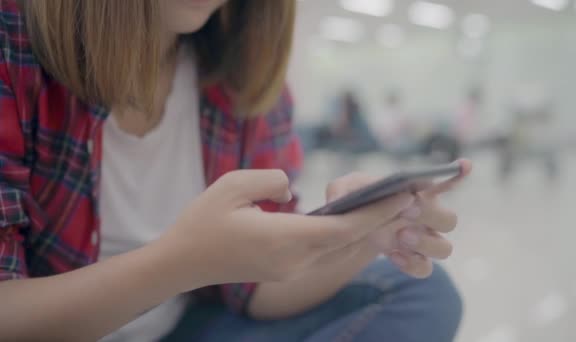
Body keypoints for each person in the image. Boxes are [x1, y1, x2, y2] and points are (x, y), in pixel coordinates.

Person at [0, 1, 472, 341]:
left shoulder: (237, 72)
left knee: (420, 290)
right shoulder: (13, 38)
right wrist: (180, 264)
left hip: (184, 326)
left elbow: (254, 291)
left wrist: (359, 237)